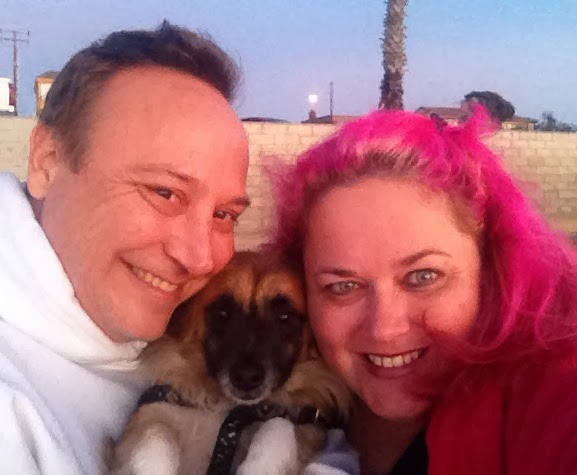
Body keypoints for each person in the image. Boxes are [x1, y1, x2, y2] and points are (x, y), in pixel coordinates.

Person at [268, 107, 577, 474]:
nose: (384, 329)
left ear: (490, 267)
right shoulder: (271, 403)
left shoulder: (548, 390)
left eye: (423, 277)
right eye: (343, 286)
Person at [0, 21, 249, 474]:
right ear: (47, 163)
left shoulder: (182, 336)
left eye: (224, 215)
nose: (199, 258)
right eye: (164, 192)